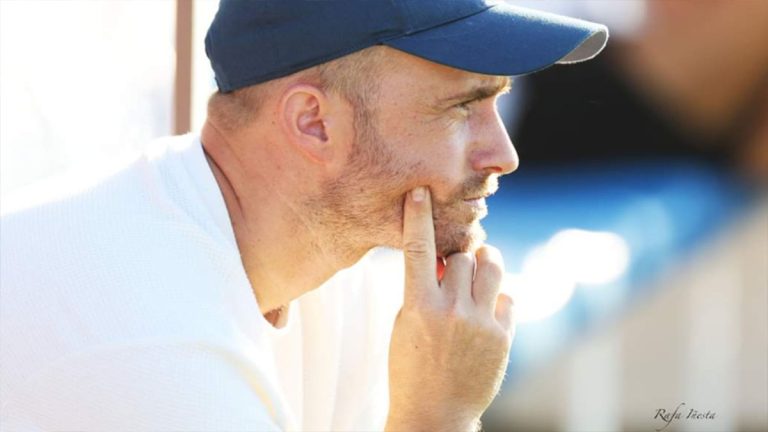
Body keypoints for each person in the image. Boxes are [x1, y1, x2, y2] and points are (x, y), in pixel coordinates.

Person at [0, 1, 607, 430]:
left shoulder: (342, 267)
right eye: (462, 107)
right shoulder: (151, 342)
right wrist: (436, 418)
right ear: (313, 123)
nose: (504, 154)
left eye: (496, 102)